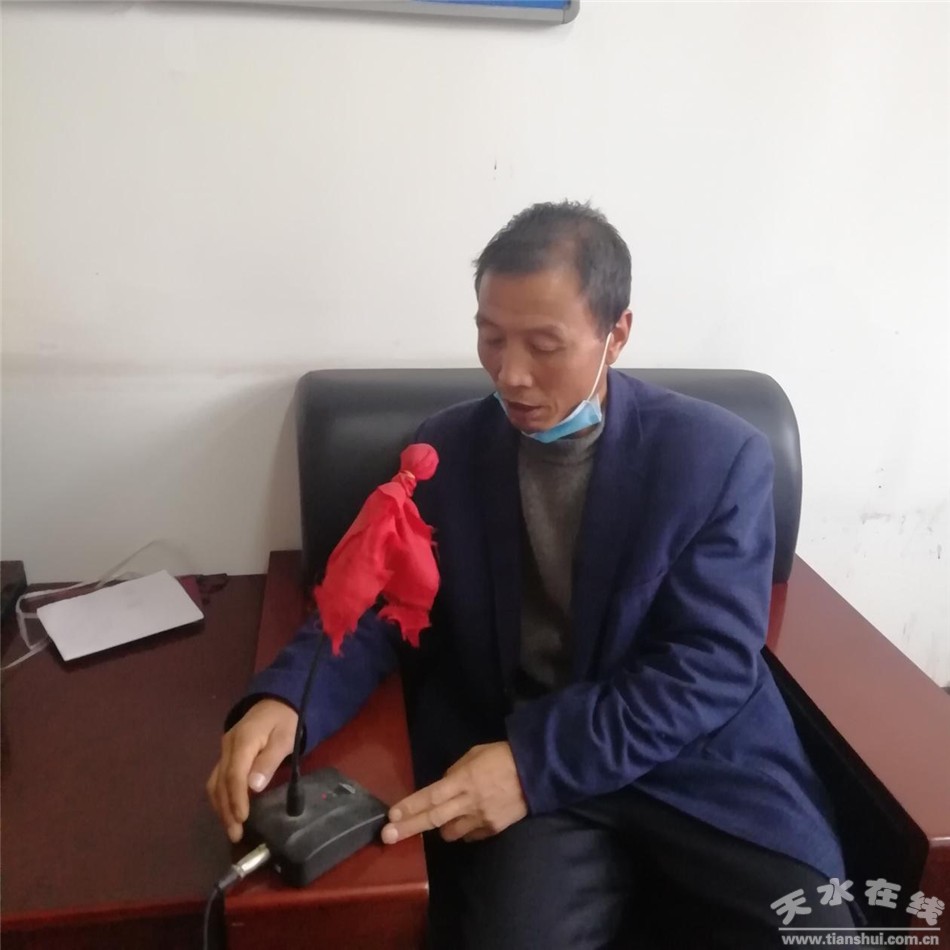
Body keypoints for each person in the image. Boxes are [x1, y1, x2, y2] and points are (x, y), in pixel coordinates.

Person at [208, 201, 858, 948]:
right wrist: (289, 699)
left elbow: (706, 664)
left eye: (545, 345)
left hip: (688, 761)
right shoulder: (447, 450)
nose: (510, 375)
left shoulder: (716, 458)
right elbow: (381, 601)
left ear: (616, 333)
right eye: (491, 338)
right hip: (524, 762)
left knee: (820, 934)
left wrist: (533, 764)